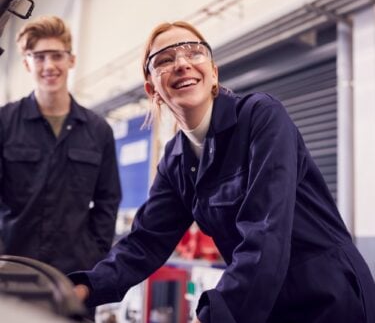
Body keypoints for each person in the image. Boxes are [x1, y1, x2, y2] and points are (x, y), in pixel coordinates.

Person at [70, 21, 375, 323]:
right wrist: (84, 288)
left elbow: (266, 230)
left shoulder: (261, 116)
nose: (182, 63)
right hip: (266, 305)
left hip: (328, 295)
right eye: (164, 59)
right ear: (153, 90)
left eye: (194, 52)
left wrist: (212, 316)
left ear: (213, 73)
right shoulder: (175, 161)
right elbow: (144, 243)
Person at [0, 15, 121, 275]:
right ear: (26, 63)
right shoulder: (4, 123)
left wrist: (95, 255)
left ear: (71, 59)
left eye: (56, 56)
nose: (49, 65)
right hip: (9, 270)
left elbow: (108, 201)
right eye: (39, 57)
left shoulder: (98, 130)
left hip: (74, 275)